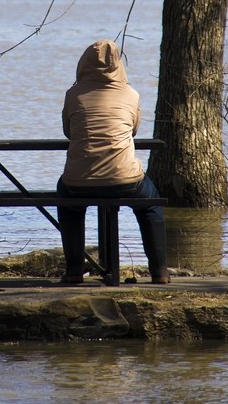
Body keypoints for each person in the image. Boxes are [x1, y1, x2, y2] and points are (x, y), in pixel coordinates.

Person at [57, 39, 169, 284]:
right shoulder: (131, 94)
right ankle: (159, 272)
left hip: (78, 183)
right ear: (119, 65)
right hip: (125, 181)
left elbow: (69, 132)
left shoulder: (73, 95)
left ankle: (74, 271)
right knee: (150, 205)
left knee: (67, 201)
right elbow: (134, 130)